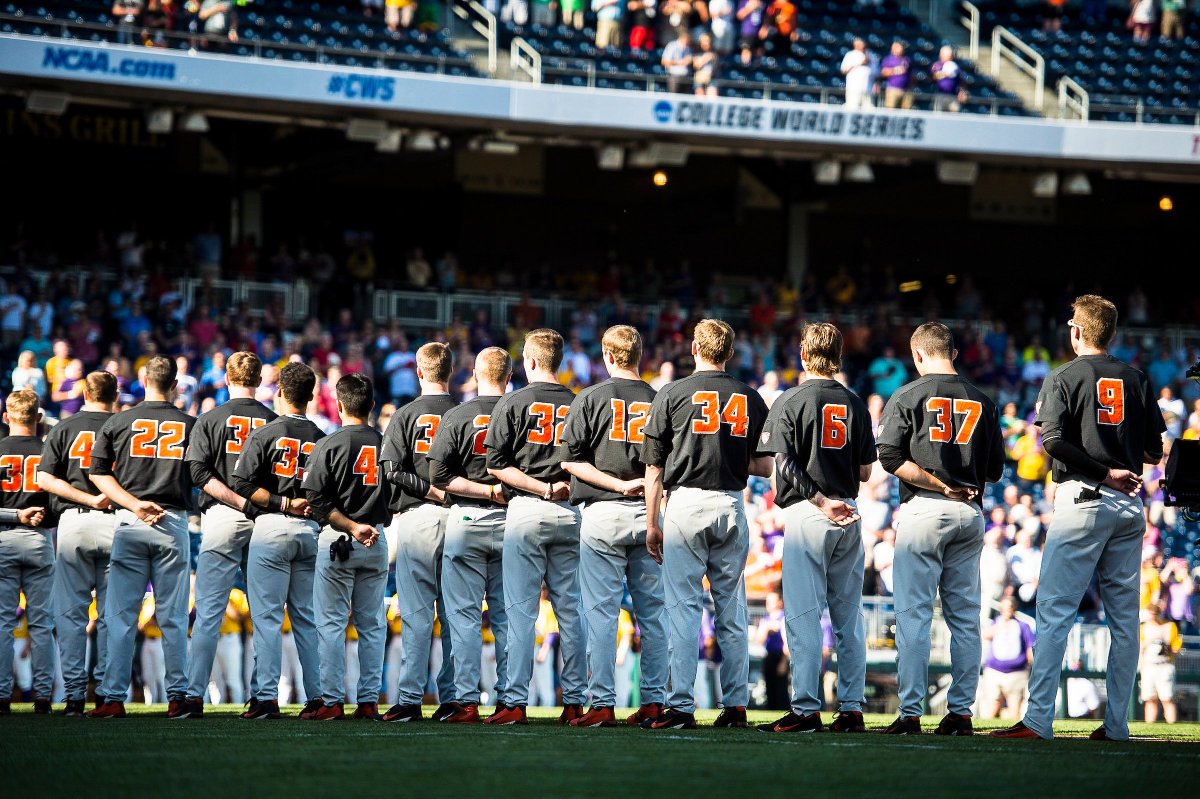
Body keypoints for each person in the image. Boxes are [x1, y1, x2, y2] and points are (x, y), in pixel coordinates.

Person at [993, 295, 1166, 741]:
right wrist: (1118, 455)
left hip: (1085, 497)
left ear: (1076, 332)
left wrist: (1104, 469)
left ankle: (1037, 721)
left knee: (1054, 612)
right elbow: (1152, 450)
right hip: (1129, 505)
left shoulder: (1064, 375)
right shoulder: (1138, 378)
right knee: (1125, 621)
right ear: (1111, 334)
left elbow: (1050, 441)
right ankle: (1117, 726)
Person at [640, 319, 772, 730]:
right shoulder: (749, 397)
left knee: (682, 609)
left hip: (686, 504)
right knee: (731, 611)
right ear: (729, 353)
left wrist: (651, 522)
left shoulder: (673, 393)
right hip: (731, 503)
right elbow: (765, 465)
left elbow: (654, 468)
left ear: (694, 348)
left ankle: (681, 705)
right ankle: (735, 705)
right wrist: (727, 455)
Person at [877, 322, 1004, 735]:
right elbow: (996, 470)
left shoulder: (908, 394)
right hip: (970, 513)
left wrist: (938, 481)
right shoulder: (983, 400)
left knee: (913, 615)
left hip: (925, 509)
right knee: (966, 617)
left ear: (917, 356)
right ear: (953, 353)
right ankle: (962, 712)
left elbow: (889, 456)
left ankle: (911, 712)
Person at [755, 322, 876, 733]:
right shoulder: (856, 404)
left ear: (804, 355)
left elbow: (782, 463)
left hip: (812, 511)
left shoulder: (790, 399)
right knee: (849, 618)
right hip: (850, 510)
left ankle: (806, 709)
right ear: (839, 356)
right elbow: (864, 469)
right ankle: (852, 708)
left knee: (804, 616)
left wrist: (821, 500)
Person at [559, 325, 667, 728]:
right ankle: (654, 702)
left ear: (606, 356)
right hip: (649, 511)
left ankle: (602, 703)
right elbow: (667, 467)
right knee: (653, 613)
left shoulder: (589, 396)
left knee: (601, 614)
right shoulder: (660, 398)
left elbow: (570, 461)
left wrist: (618, 483)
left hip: (603, 512)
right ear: (641, 354)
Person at [484, 329, 585, 725]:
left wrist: (540, 487)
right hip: (570, 511)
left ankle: (513, 701)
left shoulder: (512, 401)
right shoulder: (580, 402)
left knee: (520, 611)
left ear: (530, 361)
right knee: (572, 611)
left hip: (527, 508)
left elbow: (495, 464)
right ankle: (576, 699)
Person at [87, 356, 197, 718]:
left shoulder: (119, 420)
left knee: (120, 615)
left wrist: (134, 504)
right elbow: (205, 475)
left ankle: (113, 697)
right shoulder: (189, 423)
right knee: (174, 617)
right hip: (173, 520)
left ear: (142, 379)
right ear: (175, 384)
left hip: (130, 520)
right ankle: (178, 696)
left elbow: (99, 474)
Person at [174, 352, 278, 719]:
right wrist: (253, 505)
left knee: (208, 612)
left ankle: (193, 696)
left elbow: (199, 473)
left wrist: (237, 501)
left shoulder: (210, 417)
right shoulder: (273, 420)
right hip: (265, 519)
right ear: (259, 378)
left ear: (227, 378)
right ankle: (265, 696)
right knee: (266, 613)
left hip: (221, 516)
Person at [231, 363, 325, 720]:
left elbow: (241, 484)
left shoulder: (265, 433)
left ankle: (266, 697)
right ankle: (319, 698)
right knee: (307, 618)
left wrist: (281, 501)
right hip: (310, 530)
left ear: (280, 393)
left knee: (268, 618)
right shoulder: (322, 435)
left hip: (271, 526)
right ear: (312, 396)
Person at [429, 347, 513, 724]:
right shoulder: (521, 410)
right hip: (513, 520)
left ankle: (464, 700)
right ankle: (511, 700)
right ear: (509, 377)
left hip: (466, 517)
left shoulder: (458, 414)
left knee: (462, 616)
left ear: (476, 376)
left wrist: (483, 492)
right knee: (508, 616)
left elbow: (438, 477)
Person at [303, 373, 391, 721]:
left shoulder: (328, 443)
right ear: (371, 405)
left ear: (339, 405)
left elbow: (316, 500)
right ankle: (369, 699)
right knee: (372, 625)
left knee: (331, 624)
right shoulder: (387, 443)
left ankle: (332, 700)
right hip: (378, 537)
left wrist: (353, 526)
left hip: (340, 537)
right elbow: (398, 492)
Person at [378, 343, 457, 723]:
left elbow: (390, 470)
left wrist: (428, 490)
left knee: (417, 613)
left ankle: (410, 699)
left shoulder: (406, 413)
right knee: (458, 614)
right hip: (461, 517)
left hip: (418, 517)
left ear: (419, 372)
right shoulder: (465, 412)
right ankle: (455, 698)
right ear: (451, 372)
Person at [37, 371, 118, 716]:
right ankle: (105, 692)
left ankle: (73, 695)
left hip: (74, 521)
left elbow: (43, 477)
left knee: (70, 614)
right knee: (112, 615)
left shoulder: (64, 427)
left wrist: (83, 496)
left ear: (85, 392)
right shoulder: (123, 424)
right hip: (117, 520)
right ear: (115, 395)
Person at [0, 390, 52, 715]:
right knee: (42, 623)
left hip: (4, 538)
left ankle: (2, 695)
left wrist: (13, 515)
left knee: (3, 622)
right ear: (39, 418)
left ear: (6, 417)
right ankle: (43, 696)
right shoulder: (48, 450)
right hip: (40, 538)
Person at [980, 597, 1035, 720]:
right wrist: (1000, 626)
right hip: (994, 671)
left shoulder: (1023, 626)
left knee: (1014, 706)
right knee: (993, 704)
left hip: (1017, 673)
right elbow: (984, 635)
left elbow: (1029, 648)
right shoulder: (995, 623)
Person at [1139, 605, 1183, 723]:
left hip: (1164, 664)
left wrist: (1169, 648)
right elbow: (1139, 646)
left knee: (1167, 698)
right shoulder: (1143, 628)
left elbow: (1176, 646)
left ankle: (1171, 723)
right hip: (1149, 665)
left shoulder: (1169, 626)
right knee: (1149, 698)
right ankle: (1149, 725)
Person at [841, 38, 873, 108]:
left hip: (868, 89)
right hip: (853, 89)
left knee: (868, 111)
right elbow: (844, 70)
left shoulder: (871, 55)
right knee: (852, 108)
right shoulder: (850, 55)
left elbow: (876, 72)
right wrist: (860, 63)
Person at [880, 41, 912, 110]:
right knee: (891, 110)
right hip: (893, 89)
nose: (901, 49)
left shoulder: (907, 59)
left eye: (901, 47)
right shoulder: (888, 59)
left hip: (906, 90)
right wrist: (894, 70)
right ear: (893, 48)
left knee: (907, 111)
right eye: (898, 47)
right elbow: (883, 73)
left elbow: (912, 74)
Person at [931, 46, 964, 113]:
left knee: (955, 116)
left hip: (953, 95)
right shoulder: (937, 65)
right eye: (949, 55)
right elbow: (933, 77)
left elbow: (961, 80)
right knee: (939, 116)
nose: (951, 56)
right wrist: (944, 74)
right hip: (940, 95)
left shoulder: (955, 66)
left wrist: (962, 91)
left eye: (951, 55)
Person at [662, 28, 694, 94]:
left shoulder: (689, 48)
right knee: (673, 97)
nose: (687, 42)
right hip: (674, 76)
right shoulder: (672, 45)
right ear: (681, 38)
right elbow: (664, 61)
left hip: (687, 77)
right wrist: (679, 62)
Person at [692, 32, 720, 97]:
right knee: (699, 94)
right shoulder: (697, 53)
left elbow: (716, 68)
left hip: (712, 78)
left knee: (712, 95)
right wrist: (706, 58)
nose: (706, 43)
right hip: (699, 79)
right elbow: (696, 66)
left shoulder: (715, 52)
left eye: (707, 41)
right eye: (704, 41)